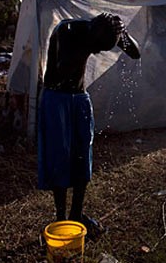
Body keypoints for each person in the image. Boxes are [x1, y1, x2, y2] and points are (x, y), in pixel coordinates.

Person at [38, 13, 140, 225]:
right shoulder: (66, 31)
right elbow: (63, 68)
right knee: (60, 157)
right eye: (96, 47)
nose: (95, 52)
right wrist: (88, 44)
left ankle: (76, 213)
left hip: (79, 97)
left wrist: (122, 33)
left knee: (82, 156)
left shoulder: (102, 32)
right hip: (56, 99)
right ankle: (60, 219)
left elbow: (135, 53)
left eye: (102, 49)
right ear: (92, 31)